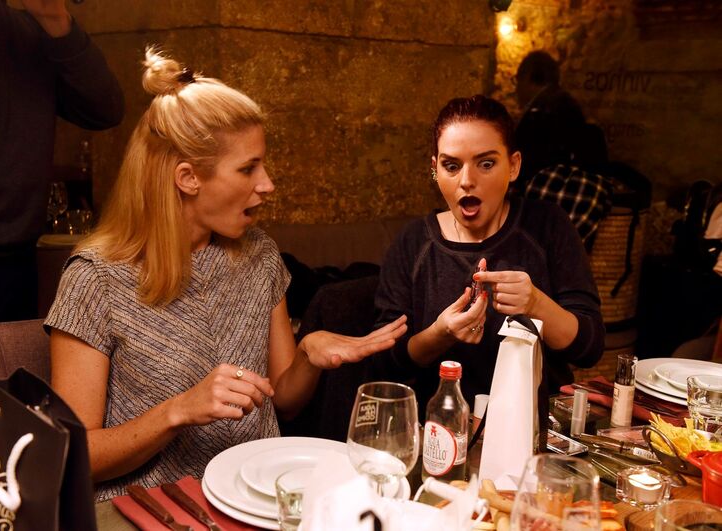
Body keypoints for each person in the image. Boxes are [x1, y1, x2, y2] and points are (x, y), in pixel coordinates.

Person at [46, 48, 408, 501]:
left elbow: (283, 402)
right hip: (153, 509)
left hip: (259, 498)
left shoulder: (259, 256)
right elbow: (71, 455)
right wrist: (178, 411)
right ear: (188, 178)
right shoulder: (95, 279)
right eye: (248, 168)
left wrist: (307, 357)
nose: (267, 184)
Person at [0, 0, 124, 409]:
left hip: (14, 255)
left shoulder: (28, 18)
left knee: (7, 422)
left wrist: (56, 20)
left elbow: (104, 108)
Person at [374, 95, 604, 418]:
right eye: (451, 166)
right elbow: (386, 362)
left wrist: (536, 303)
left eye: (485, 164)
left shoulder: (547, 226)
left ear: (514, 166)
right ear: (434, 169)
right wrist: (441, 332)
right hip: (442, 429)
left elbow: (589, 348)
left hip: (537, 429)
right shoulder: (413, 242)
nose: (467, 181)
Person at [513, 50, 587, 188]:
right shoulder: (565, 102)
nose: (516, 88)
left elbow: (528, 161)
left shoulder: (541, 111)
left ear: (527, 76)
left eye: (517, 80)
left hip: (542, 190)